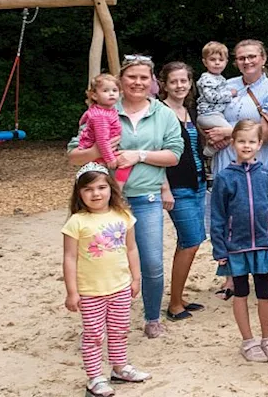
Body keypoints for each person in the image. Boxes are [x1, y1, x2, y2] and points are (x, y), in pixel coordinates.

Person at [67, 55, 183, 339]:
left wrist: (138, 155)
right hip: (104, 203)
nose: (138, 82)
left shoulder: (163, 113)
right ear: (121, 80)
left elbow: (174, 155)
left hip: (146, 198)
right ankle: (99, 320)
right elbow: (72, 155)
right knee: (100, 262)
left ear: (152, 81)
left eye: (144, 77)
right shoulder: (102, 110)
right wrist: (98, 150)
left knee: (152, 262)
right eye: (132, 77)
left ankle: (152, 317)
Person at [63, 165, 152, 397]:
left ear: (111, 189)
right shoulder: (77, 222)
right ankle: (95, 377)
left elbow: (132, 249)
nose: (96, 194)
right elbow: (70, 258)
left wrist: (136, 278)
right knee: (93, 334)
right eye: (88, 189)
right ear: (79, 193)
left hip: (120, 286)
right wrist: (72, 292)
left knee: (119, 329)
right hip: (90, 290)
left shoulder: (123, 216)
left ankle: (120, 367)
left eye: (102, 187)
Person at [210, 120, 268, 362]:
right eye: (241, 141)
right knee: (240, 293)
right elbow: (218, 216)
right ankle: (248, 341)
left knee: (265, 293)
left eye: (252, 141)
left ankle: (267, 337)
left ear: (259, 144)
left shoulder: (267, 173)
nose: (246, 145)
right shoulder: (224, 177)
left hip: (263, 245)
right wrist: (220, 249)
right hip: (236, 248)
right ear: (232, 144)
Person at [159, 62, 209, 321]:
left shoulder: (189, 110)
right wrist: (165, 188)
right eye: (174, 81)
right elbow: (158, 153)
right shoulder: (161, 112)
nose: (180, 86)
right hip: (177, 187)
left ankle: (179, 296)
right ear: (164, 84)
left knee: (190, 241)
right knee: (191, 241)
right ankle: (174, 304)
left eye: (184, 81)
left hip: (198, 182)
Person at [202, 40, 268, 174]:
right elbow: (208, 111)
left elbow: (265, 134)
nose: (247, 62)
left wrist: (227, 132)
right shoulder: (227, 84)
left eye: (252, 57)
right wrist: (211, 137)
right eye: (241, 58)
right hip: (224, 157)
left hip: (255, 160)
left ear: (263, 58)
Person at [76, 74, 131, 187]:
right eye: (105, 91)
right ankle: (117, 189)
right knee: (125, 164)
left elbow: (84, 119)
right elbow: (102, 139)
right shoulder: (100, 116)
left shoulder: (106, 110)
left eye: (114, 90)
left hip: (106, 149)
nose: (111, 93)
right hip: (98, 152)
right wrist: (109, 158)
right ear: (95, 96)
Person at [196, 41, 235, 158]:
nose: (217, 63)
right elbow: (212, 97)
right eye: (213, 60)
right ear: (205, 62)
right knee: (232, 131)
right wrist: (230, 94)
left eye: (221, 60)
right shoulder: (206, 79)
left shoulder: (221, 78)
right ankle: (208, 150)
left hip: (216, 115)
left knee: (227, 136)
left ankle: (215, 145)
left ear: (226, 62)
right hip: (208, 115)